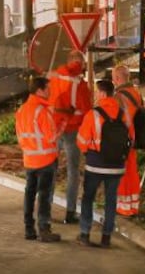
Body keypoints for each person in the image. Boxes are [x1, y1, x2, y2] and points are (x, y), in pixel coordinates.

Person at [77, 79, 132, 248]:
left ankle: (85, 234)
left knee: (88, 198)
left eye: (96, 92)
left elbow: (82, 141)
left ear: (102, 93)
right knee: (111, 200)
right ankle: (106, 237)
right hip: (116, 166)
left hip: (95, 164)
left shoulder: (93, 114)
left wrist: (88, 152)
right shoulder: (124, 114)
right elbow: (131, 138)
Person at [48, 51, 91, 225]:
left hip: (54, 128)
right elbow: (87, 110)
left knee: (51, 168)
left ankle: (46, 209)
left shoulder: (55, 76)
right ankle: (70, 213)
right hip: (73, 130)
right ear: (81, 64)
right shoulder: (81, 85)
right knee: (73, 171)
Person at [17, 76, 61, 242]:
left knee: (29, 194)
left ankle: (29, 229)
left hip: (29, 159)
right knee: (44, 196)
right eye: (48, 89)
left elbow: (20, 136)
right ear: (40, 90)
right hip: (46, 160)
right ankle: (44, 230)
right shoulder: (42, 111)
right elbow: (51, 137)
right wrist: (62, 126)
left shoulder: (21, 110)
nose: (50, 92)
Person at [113, 64, 143, 218]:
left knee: (122, 173)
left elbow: (117, 118)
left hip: (122, 138)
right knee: (132, 172)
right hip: (133, 138)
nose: (113, 81)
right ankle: (133, 205)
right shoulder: (135, 93)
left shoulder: (119, 96)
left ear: (118, 78)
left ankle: (123, 207)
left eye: (114, 78)